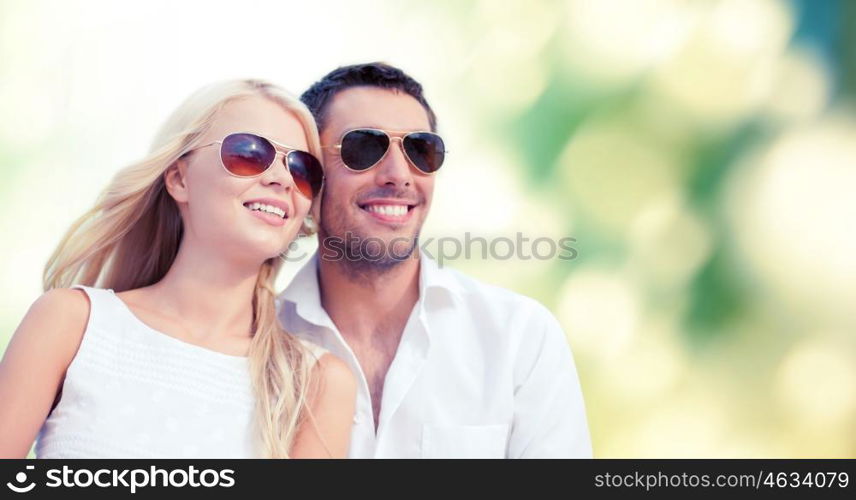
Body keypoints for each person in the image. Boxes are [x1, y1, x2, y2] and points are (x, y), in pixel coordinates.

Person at [0, 79, 357, 458]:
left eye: (302, 170)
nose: (282, 179)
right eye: (249, 153)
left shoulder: (317, 382)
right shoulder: (70, 322)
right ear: (179, 179)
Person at [276, 62, 592, 458]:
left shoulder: (520, 338)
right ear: (308, 172)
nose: (398, 175)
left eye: (420, 150)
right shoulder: (257, 344)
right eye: (364, 148)